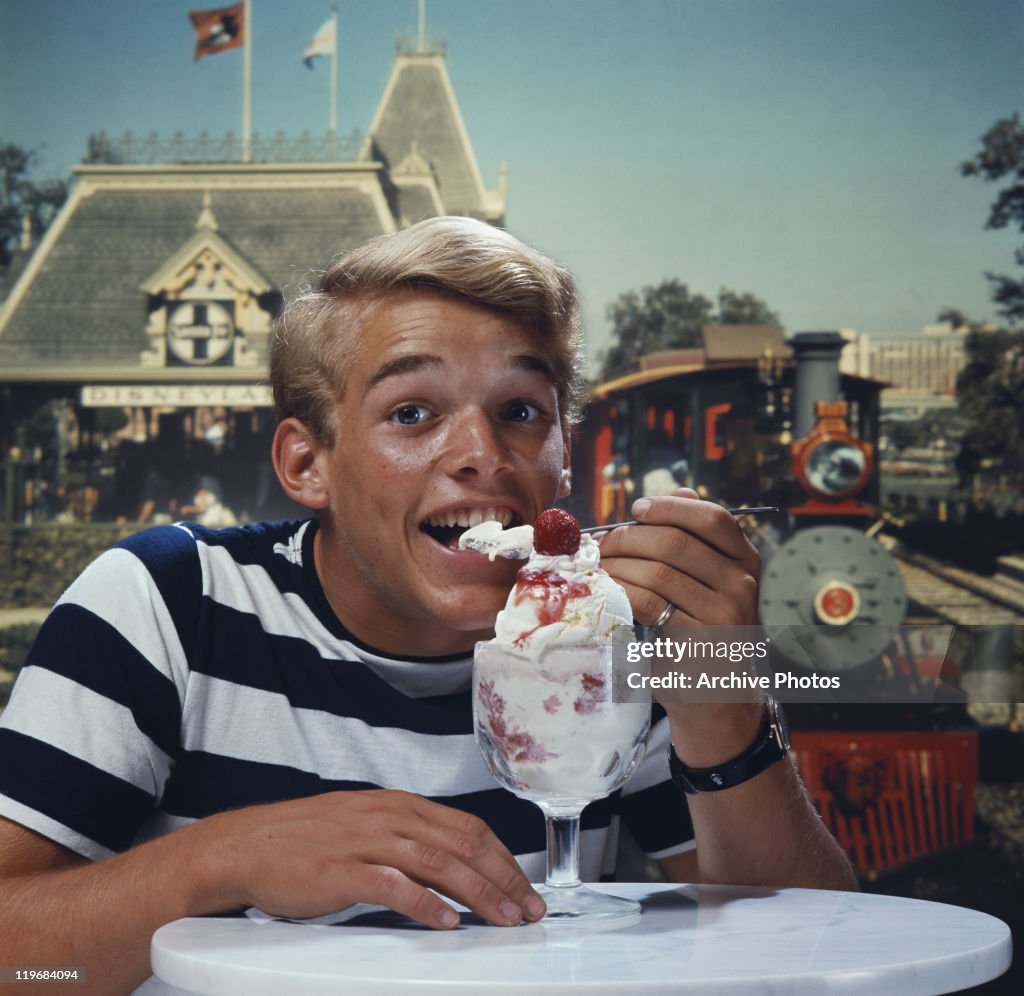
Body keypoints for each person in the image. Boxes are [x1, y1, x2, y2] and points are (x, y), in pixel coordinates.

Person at [0, 217, 856, 994]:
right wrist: (221, 857)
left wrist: (725, 709)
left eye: (521, 411)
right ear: (308, 465)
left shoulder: (620, 633)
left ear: (564, 455)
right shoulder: (168, 601)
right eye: (412, 413)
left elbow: (807, 963)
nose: (482, 454)